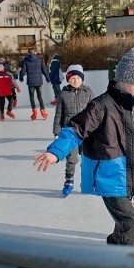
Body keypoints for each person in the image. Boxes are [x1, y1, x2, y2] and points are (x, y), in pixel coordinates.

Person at [33, 47, 134, 247]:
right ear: (126, 80)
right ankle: (131, 263)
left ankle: (114, 247)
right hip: (108, 177)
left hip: (126, 176)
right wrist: (55, 151)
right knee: (131, 223)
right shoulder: (101, 106)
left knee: (123, 225)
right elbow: (75, 129)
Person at [52, 64, 95, 197]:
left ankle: (88, 182)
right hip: (70, 132)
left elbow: (96, 113)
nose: (75, 81)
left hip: (86, 132)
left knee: (88, 158)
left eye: (78, 78)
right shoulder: (63, 94)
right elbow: (59, 114)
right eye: (72, 78)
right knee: (71, 158)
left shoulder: (88, 92)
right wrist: (57, 132)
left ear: (82, 79)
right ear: (68, 80)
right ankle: (69, 181)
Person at [19, 48, 50, 120]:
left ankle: (34, 111)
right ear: (35, 53)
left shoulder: (26, 61)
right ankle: (43, 111)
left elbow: (23, 70)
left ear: (28, 53)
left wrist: (21, 77)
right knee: (39, 97)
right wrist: (47, 78)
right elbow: (44, 70)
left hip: (31, 83)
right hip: (39, 82)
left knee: (32, 97)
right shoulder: (40, 60)